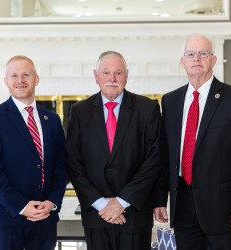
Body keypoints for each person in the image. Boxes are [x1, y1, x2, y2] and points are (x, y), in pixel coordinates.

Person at [153, 34, 231, 250]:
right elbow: (165, 155)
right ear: (182, 61)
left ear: (213, 60)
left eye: (203, 53)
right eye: (190, 54)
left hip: (223, 208)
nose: (196, 59)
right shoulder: (170, 100)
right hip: (182, 204)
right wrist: (159, 198)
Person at [66, 51, 162, 250]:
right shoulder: (79, 111)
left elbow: (154, 160)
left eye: (118, 73)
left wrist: (122, 201)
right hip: (96, 214)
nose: (112, 79)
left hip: (134, 212)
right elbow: (73, 163)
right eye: (106, 72)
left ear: (127, 75)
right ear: (96, 76)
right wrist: (102, 204)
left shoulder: (147, 109)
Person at [0, 55, 67, 250]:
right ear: (6, 81)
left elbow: (61, 167)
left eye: (26, 74)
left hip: (45, 218)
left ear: (36, 79)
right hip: (6, 218)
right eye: (14, 75)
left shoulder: (51, 119)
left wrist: (52, 201)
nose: (20, 80)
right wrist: (22, 206)